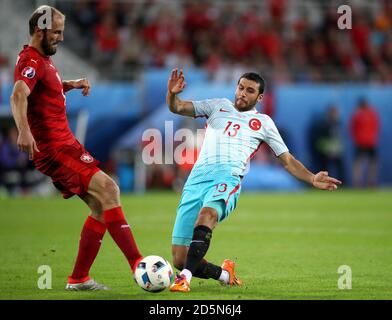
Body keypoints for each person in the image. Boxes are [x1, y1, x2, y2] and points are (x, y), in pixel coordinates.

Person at [166, 68, 342, 293]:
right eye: (240, 87)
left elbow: (287, 160)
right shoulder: (217, 106)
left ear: (259, 97)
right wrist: (172, 94)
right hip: (196, 180)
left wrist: (311, 178)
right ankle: (224, 274)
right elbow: (178, 106)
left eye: (249, 91)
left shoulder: (264, 122)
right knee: (180, 258)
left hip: (227, 179)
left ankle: (184, 279)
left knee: (207, 215)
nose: (242, 93)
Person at [10, 6, 143, 291]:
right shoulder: (30, 60)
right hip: (56, 150)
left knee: (99, 206)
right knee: (109, 189)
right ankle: (140, 266)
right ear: (40, 30)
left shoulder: (44, 61)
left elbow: (42, 91)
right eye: (56, 32)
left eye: (61, 32)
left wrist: (68, 85)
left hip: (66, 145)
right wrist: (23, 129)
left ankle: (79, 278)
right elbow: (19, 94)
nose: (60, 37)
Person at [350, 98, 380, 187]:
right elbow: (352, 128)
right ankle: (358, 182)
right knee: (359, 163)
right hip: (361, 142)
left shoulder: (371, 114)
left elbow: (376, 127)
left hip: (370, 142)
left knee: (372, 163)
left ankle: (371, 182)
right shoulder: (358, 115)